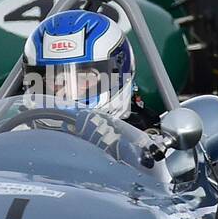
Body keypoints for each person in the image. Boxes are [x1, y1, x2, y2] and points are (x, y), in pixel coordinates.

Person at [21, 8, 156, 130]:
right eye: (53, 79)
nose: (66, 90)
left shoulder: (146, 141)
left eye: (84, 78)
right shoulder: (17, 133)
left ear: (120, 72)